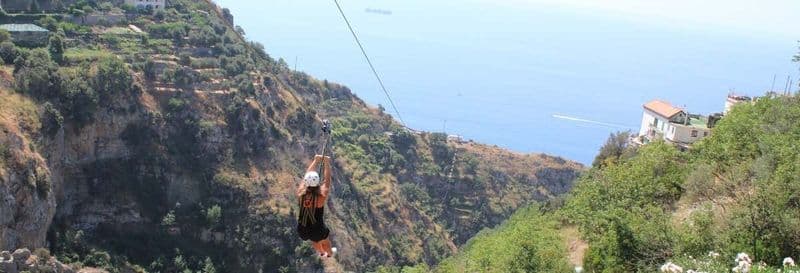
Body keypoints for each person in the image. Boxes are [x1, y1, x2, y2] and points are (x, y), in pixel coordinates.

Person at [296, 154, 335, 257]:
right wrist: (326, 162)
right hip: (317, 229)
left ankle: (321, 253)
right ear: (317, 183)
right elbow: (327, 181)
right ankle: (329, 253)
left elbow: (307, 175)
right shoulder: (320, 197)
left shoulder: (300, 193)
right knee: (324, 240)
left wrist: (316, 160)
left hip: (302, 229)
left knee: (314, 240)